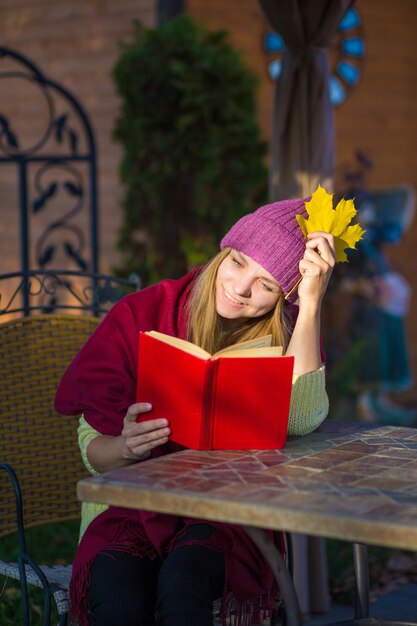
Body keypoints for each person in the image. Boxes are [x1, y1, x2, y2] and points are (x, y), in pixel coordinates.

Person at [55, 198, 336, 626]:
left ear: (286, 297)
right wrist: (125, 446)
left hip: (229, 517)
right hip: (129, 510)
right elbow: (93, 452)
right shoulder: (142, 313)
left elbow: (299, 419)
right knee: (117, 595)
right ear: (224, 251)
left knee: (184, 587)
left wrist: (313, 302)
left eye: (266, 285)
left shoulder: (289, 329)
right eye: (238, 262)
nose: (241, 288)